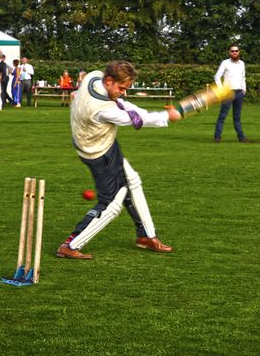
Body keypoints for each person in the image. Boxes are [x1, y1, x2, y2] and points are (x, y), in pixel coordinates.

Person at [57, 61, 182, 260]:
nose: (123, 92)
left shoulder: (94, 76)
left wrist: (161, 114)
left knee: (133, 182)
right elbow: (134, 118)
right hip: (97, 154)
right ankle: (71, 244)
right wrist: (167, 116)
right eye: (121, 88)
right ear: (109, 81)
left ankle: (146, 236)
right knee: (110, 204)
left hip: (104, 143)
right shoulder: (101, 109)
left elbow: (123, 104)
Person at [213, 44, 248, 143]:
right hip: (228, 93)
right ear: (229, 52)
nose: (234, 53)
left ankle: (241, 137)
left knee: (237, 116)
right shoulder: (225, 63)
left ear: (239, 52)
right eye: (232, 51)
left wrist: (244, 89)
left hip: (239, 93)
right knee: (222, 116)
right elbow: (217, 77)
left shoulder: (242, 63)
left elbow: (243, 77)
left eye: (236, 51)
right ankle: (217, 137)